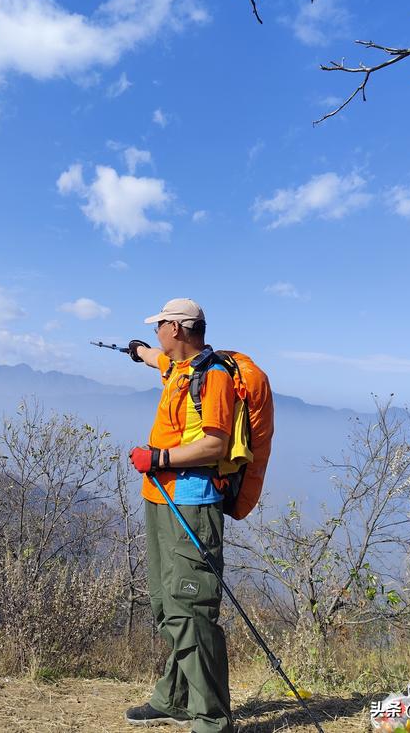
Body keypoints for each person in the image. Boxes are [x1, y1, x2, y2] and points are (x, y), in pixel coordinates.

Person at [125, 298, 235, 733]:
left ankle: (212, 720)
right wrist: (138, 352)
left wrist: (159, 457)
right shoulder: (177, 370)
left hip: (192, 503)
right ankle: (175, 697)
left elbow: (216, 446)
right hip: (160, 499)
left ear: (178, 329)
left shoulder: (214, 379)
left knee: (190, 607)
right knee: (165, 603)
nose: (156, 334)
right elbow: (155, 359)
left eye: (159, 327)